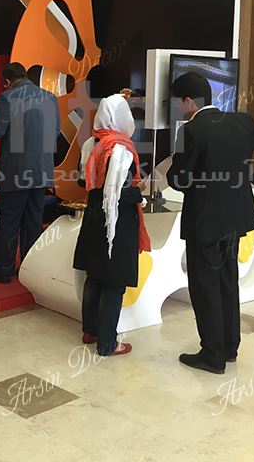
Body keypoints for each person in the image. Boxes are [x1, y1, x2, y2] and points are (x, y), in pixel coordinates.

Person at [167, 72, 254, 374]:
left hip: (204, 221)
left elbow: (178, 180)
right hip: (236, 217)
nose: (179, 109)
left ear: (188, 101)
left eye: (179, 103)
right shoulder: (242, 121)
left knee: (205, 286)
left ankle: (212, 355)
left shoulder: (191, 131)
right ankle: (229, 346)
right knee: (226, 280)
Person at [73, 94, 150, 357]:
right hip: (115, 221)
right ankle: (107, 343)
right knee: (114, 282)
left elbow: (82, 181)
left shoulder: (90, 143)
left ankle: (90, 331)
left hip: (93, 216)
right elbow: (120, 193)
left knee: (94, 275)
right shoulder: (120, 148)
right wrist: (140, 191)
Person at [0, 62, 60, 284]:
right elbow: (55, 131)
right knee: (33, 222)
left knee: (9, 221)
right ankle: (28, 269)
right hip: (42, 170)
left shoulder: (7, 98)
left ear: (7, 81)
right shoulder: (50, 98)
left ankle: (3, 271)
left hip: (16, 171)